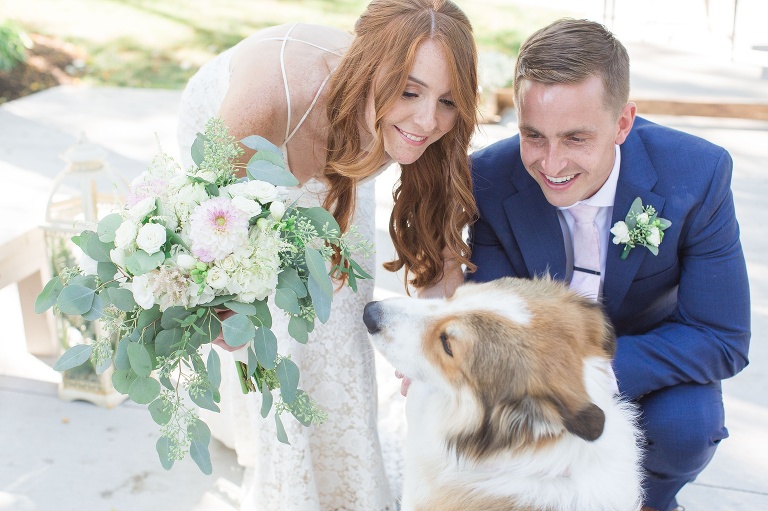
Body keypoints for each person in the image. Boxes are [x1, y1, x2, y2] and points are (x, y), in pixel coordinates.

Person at [176, 1, 478, 510]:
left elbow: (439, 242)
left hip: (346, 153)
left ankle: (349, 486)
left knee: (337, 317)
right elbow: (205, 225)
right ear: (370, 69)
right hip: (248, 155)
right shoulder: (267, 100)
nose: (428, 121)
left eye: (447, 100)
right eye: (409, 91)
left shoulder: (417, 128)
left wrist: (437, 333)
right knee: (272, 322)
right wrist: (221, 306)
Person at [466, 18, 750, 511]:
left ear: (623, 123)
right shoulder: (490, 178)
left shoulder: (698, 174)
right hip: (535, 376)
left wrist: (593, 376)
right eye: (533, 135)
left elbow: (722, 337)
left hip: (649, 363)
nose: (551, 165)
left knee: (687, 430)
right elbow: (491, 315)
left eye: (576, 139)